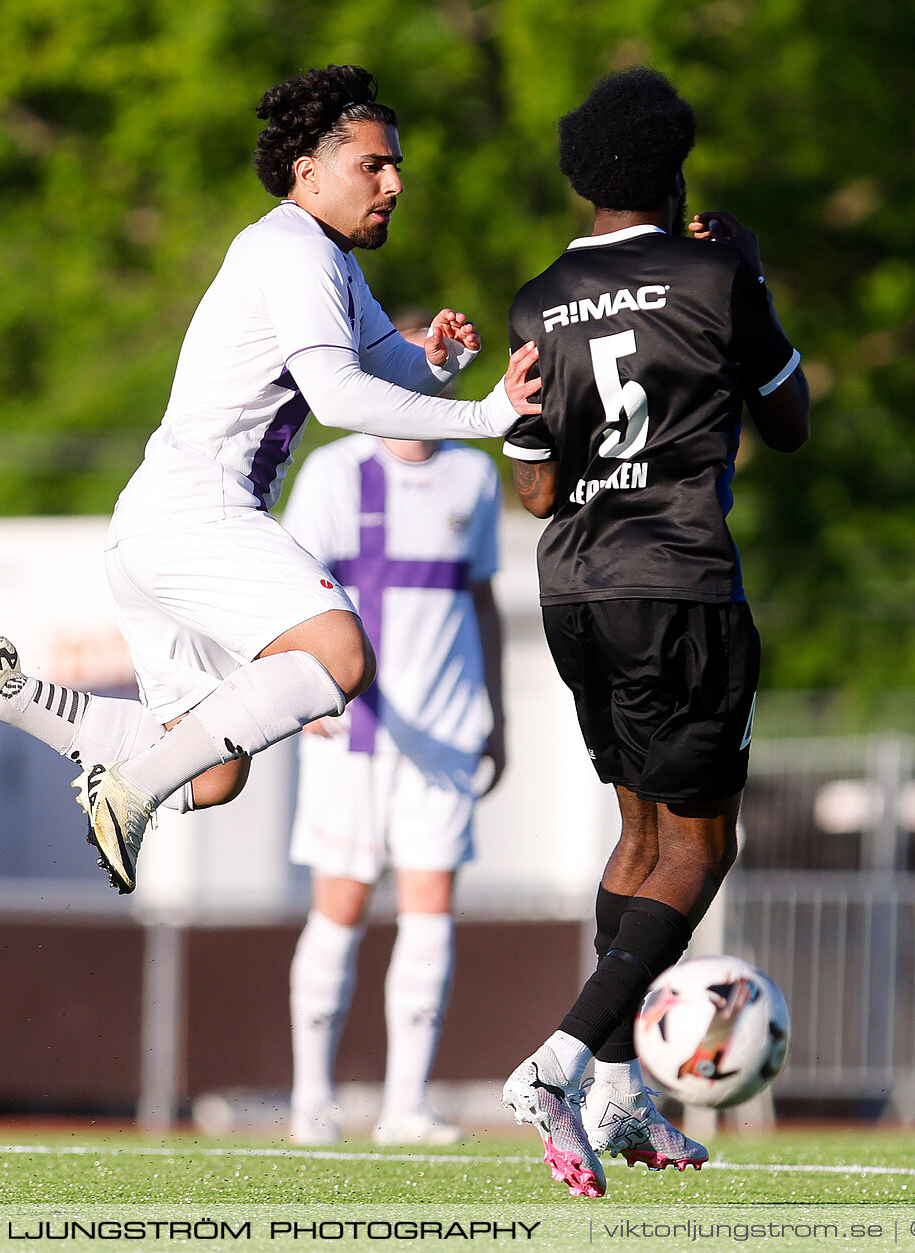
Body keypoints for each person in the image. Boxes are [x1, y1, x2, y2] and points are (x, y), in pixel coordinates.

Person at [0, 65, 540, 895]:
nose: (395, 182)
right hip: (200, 513)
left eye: (395, 163)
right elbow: (338, 399)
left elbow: (382, 370)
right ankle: (129, 791)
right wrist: (485, 419)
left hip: (158, 522)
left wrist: (440, 364)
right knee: (340, 654)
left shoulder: (324, 260)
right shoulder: (293, 250)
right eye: (374, 164)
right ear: (311, 172)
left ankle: (0, 688)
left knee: (209, 771)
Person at [494, 68, 810, 1198]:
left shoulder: (535, 300)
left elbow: (533, 491)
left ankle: (623, 1089)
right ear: (677, 177)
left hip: (575, 590)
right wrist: (754, 271)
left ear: (585, 181)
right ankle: (563, 1058)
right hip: (678, 582)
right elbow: (789, 420)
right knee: (699, 847)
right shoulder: (714, 270)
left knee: (637, 841)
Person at [278, 324, 506, 1145]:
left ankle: (405, 1104)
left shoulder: (474, 477)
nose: (423, 377)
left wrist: (497, 717)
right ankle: (313, 1099)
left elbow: (479, 601)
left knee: (432, 905)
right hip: (356, 731)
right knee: (339, 904)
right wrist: (307, 698)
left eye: (435, 364)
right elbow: (293, 592)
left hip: (444, 737)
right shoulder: (336, 473)